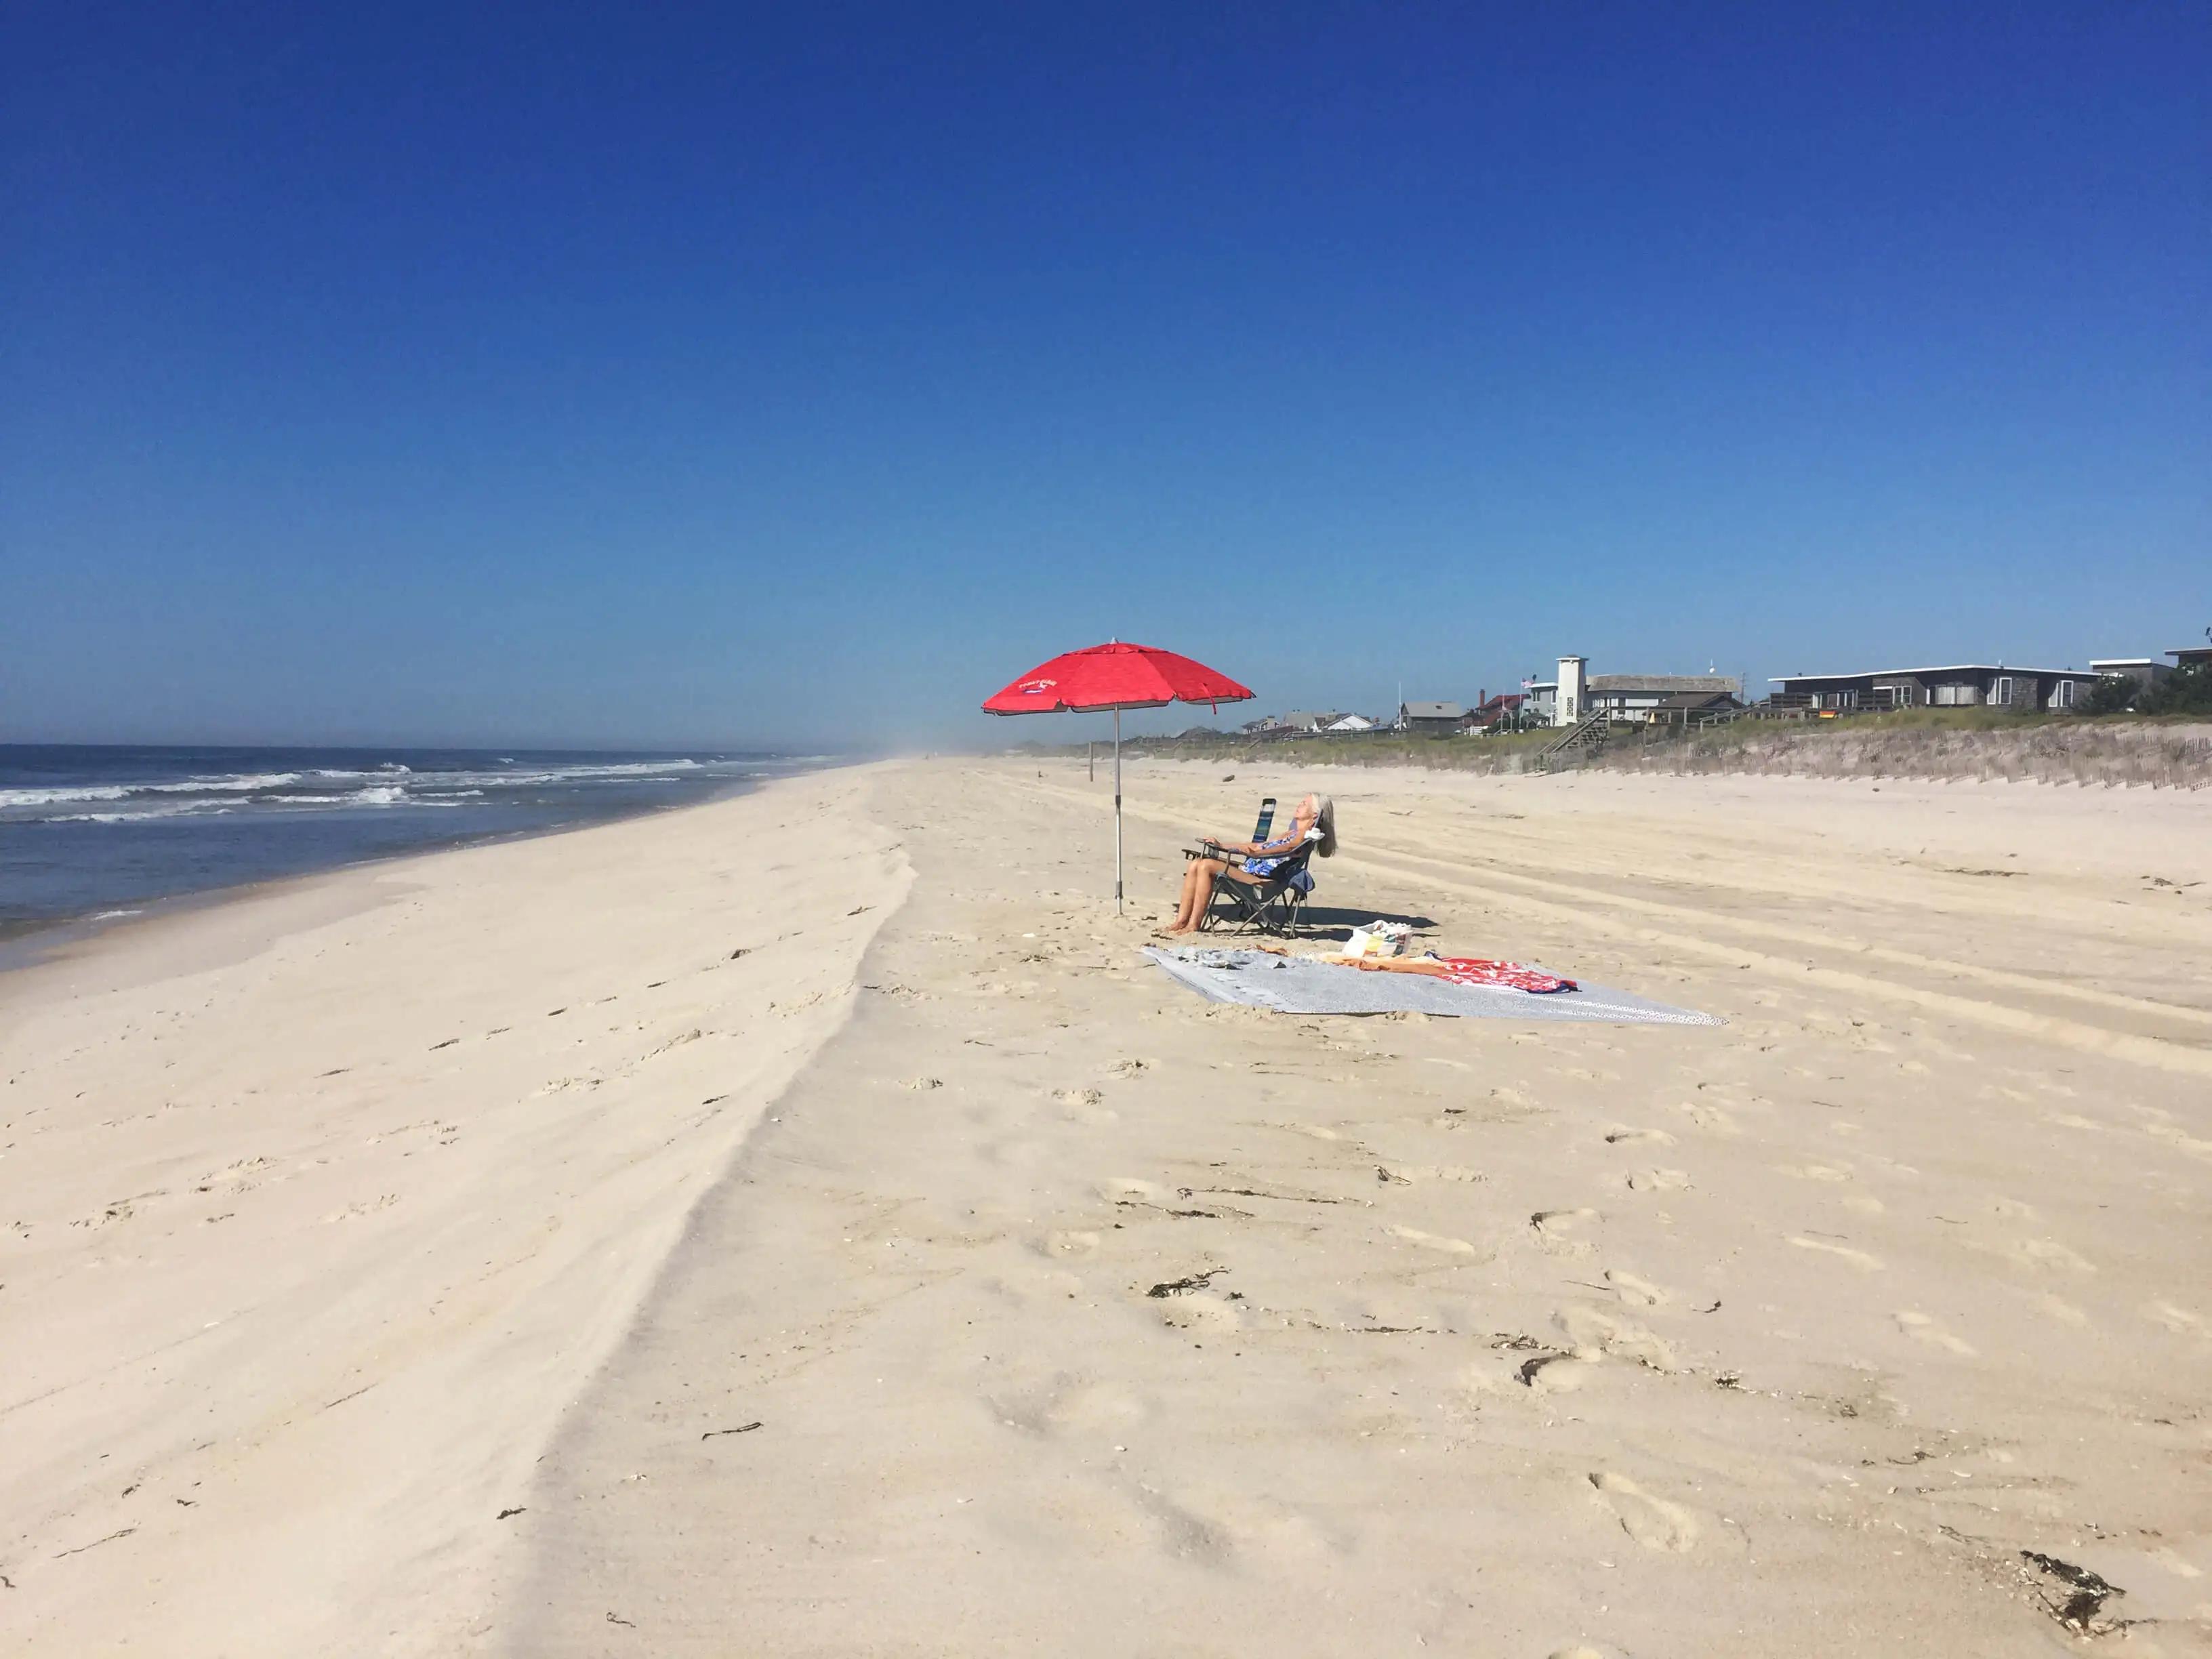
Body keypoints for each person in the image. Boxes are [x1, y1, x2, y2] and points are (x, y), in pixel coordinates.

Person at [1162, 792, 1336, 935]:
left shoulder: (1304, 837)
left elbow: (1287, 848)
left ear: (1314, 814)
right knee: (1196, 863)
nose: (1299, 805)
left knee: (1206, 865)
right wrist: (1222, 845)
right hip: (1250, 874)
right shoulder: (1289, 834)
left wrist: (1255, 853)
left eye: (1304, 804)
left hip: (1264, 884)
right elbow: (1256, 846)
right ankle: (1181, 921)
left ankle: (1194, 925)